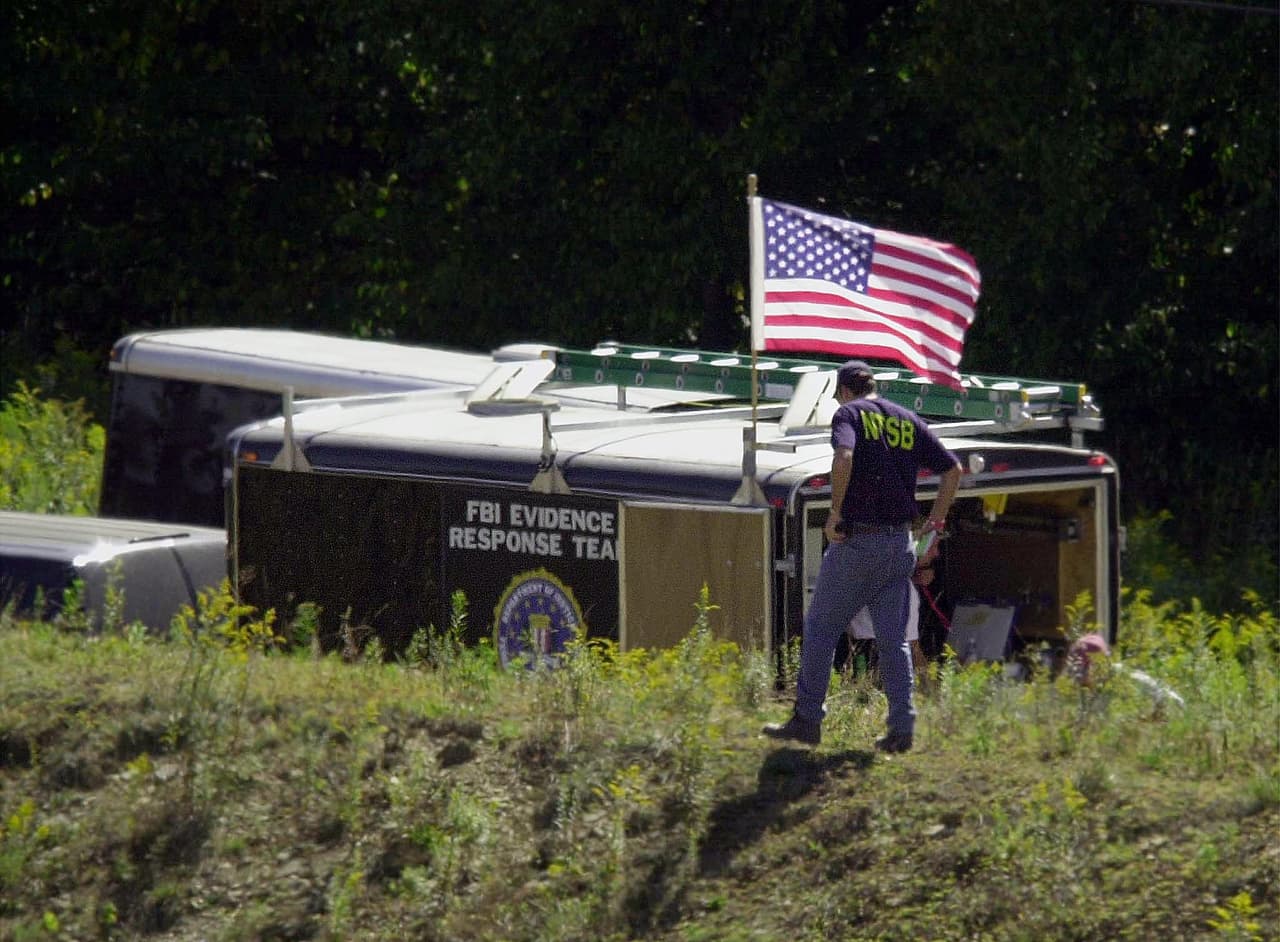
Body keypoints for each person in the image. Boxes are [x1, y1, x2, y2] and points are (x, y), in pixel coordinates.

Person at [764, 360, 962, 753]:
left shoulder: (848, 414)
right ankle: (902, 729)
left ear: (843, 390)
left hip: (859, 543)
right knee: (895, 641)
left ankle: (807, 720)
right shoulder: (907, 419)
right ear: (873, 386)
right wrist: (935, 524)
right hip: (899, 545)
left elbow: (845, 457)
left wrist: (835, 512)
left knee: (821, 628)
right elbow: (953, 470)